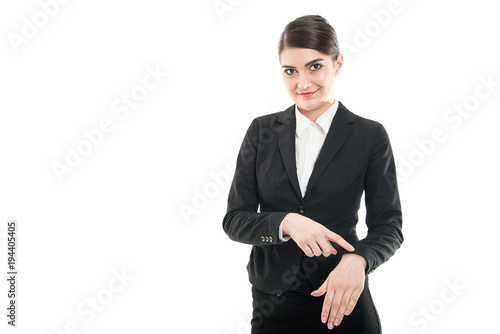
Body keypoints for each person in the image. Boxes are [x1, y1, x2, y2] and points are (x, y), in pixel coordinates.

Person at [222, 14, 403, 333]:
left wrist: (358, 260)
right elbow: (235, 219)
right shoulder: (261, 131)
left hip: (345, 300)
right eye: (290, 70)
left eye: (315, 66)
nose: (302, 83)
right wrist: (285, 222)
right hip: (274, 306)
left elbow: (388, 225)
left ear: (338, 63)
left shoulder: (370, 135)